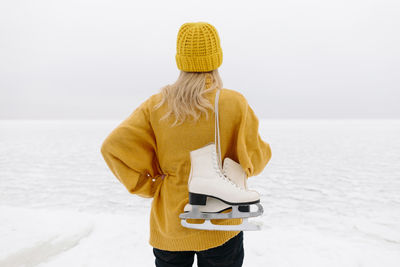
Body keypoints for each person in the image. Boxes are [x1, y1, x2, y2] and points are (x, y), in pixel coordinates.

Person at [100, 22, 272, 267]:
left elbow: (113, 148)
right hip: (220, 222)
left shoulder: (156, 105)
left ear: (180, 59)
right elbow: (255, 159)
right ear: (216, 58)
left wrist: (150, 186)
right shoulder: (233, 103)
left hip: (171, 221)